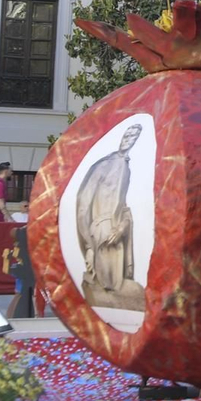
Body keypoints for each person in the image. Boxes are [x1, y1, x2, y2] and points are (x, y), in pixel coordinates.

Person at [75, 123, 144, 306]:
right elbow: (83, 203)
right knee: (106, 286)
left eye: (133, 137)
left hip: (115, 231)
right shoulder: (104, 165)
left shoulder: (126, 168)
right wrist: (88, 245)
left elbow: (123, 205)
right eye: (127, 135)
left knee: (117, 287)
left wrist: (122, 226)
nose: (128, 140)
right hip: (100, 230)